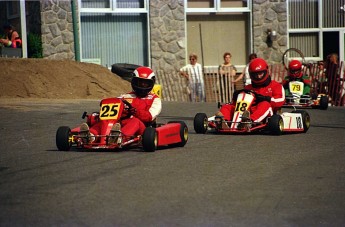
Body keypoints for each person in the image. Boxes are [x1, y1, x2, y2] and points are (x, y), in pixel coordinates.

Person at [80, 66, 162, 143]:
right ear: (134, 82)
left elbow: (149, 117)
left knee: (135, 121)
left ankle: (119, 138)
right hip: (122, 124)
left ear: (151, 84)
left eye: (145, 83)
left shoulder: (155, 99)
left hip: (143, 128)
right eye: (140, 82)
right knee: (105, 121)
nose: (142, 85)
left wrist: (135, 112)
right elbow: (114, 105)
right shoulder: (125, 96)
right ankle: (91, 136)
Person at [216, 58, 285, 131]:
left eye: (260, 73)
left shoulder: (276, 86)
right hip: (247, 112)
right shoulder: (248, 87)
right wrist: (235, 97)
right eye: (255, 74)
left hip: (268, 115)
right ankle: (223, 122)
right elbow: (238, 104)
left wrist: (266, 98)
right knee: (227, 106)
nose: (258, 77)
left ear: (266, 71)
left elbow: (281, 100)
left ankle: (249, 122)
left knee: (265, 104)